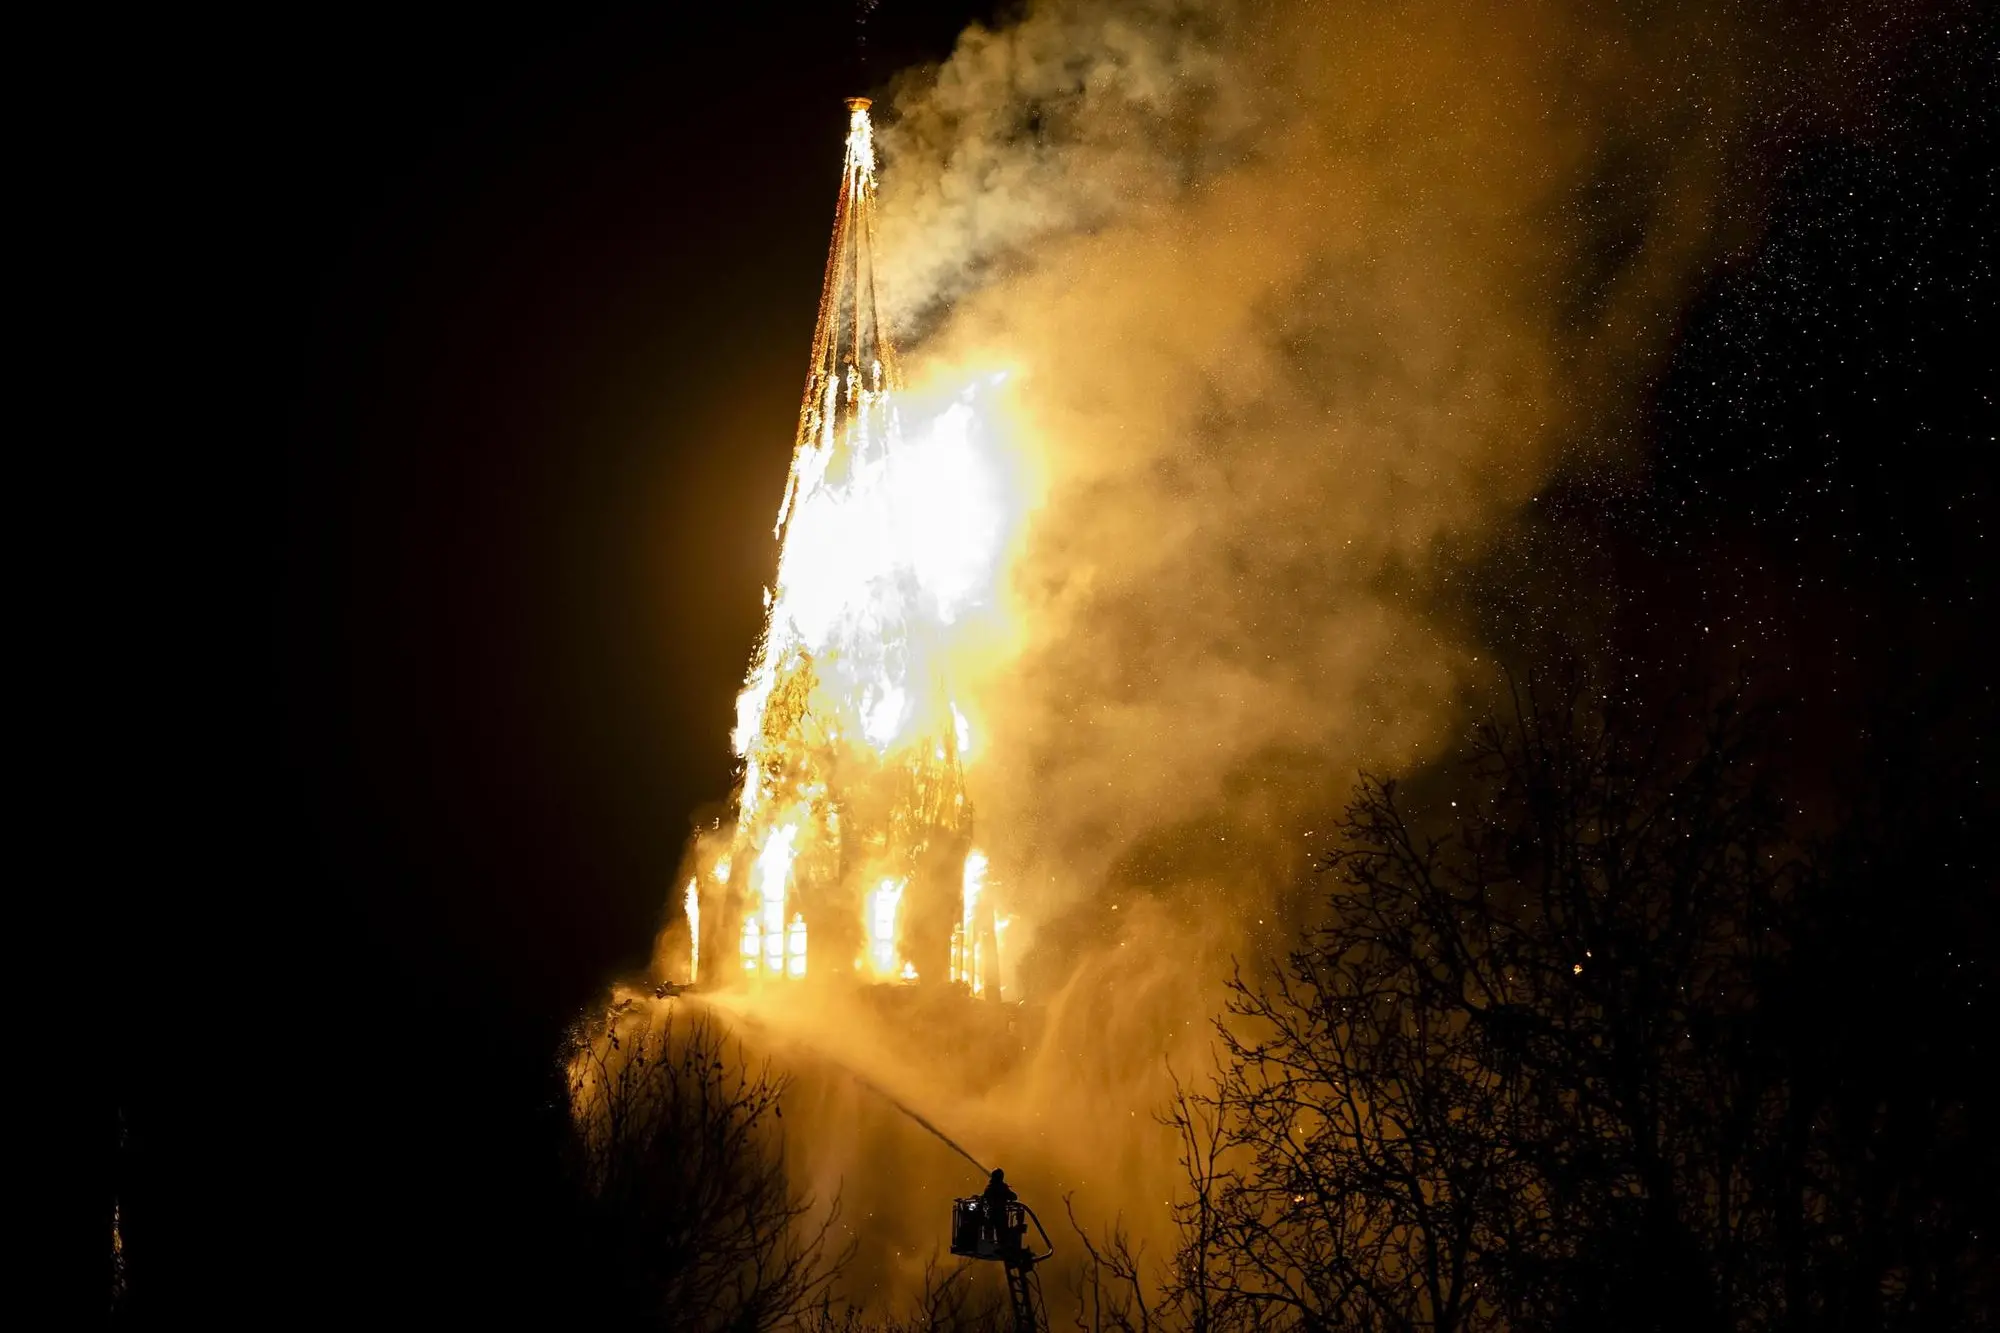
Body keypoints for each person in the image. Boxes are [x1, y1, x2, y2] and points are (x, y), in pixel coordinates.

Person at [981, 1168, 1022, 1255]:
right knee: (1002, 1233)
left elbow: (985, 1197)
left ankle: (989, 1247)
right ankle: (1002, 1247)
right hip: (1000, 1214)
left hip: (990, 1214)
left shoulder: (989, 1188)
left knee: (989, 1230)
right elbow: (1013, 1197)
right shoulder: (1002, 1188)